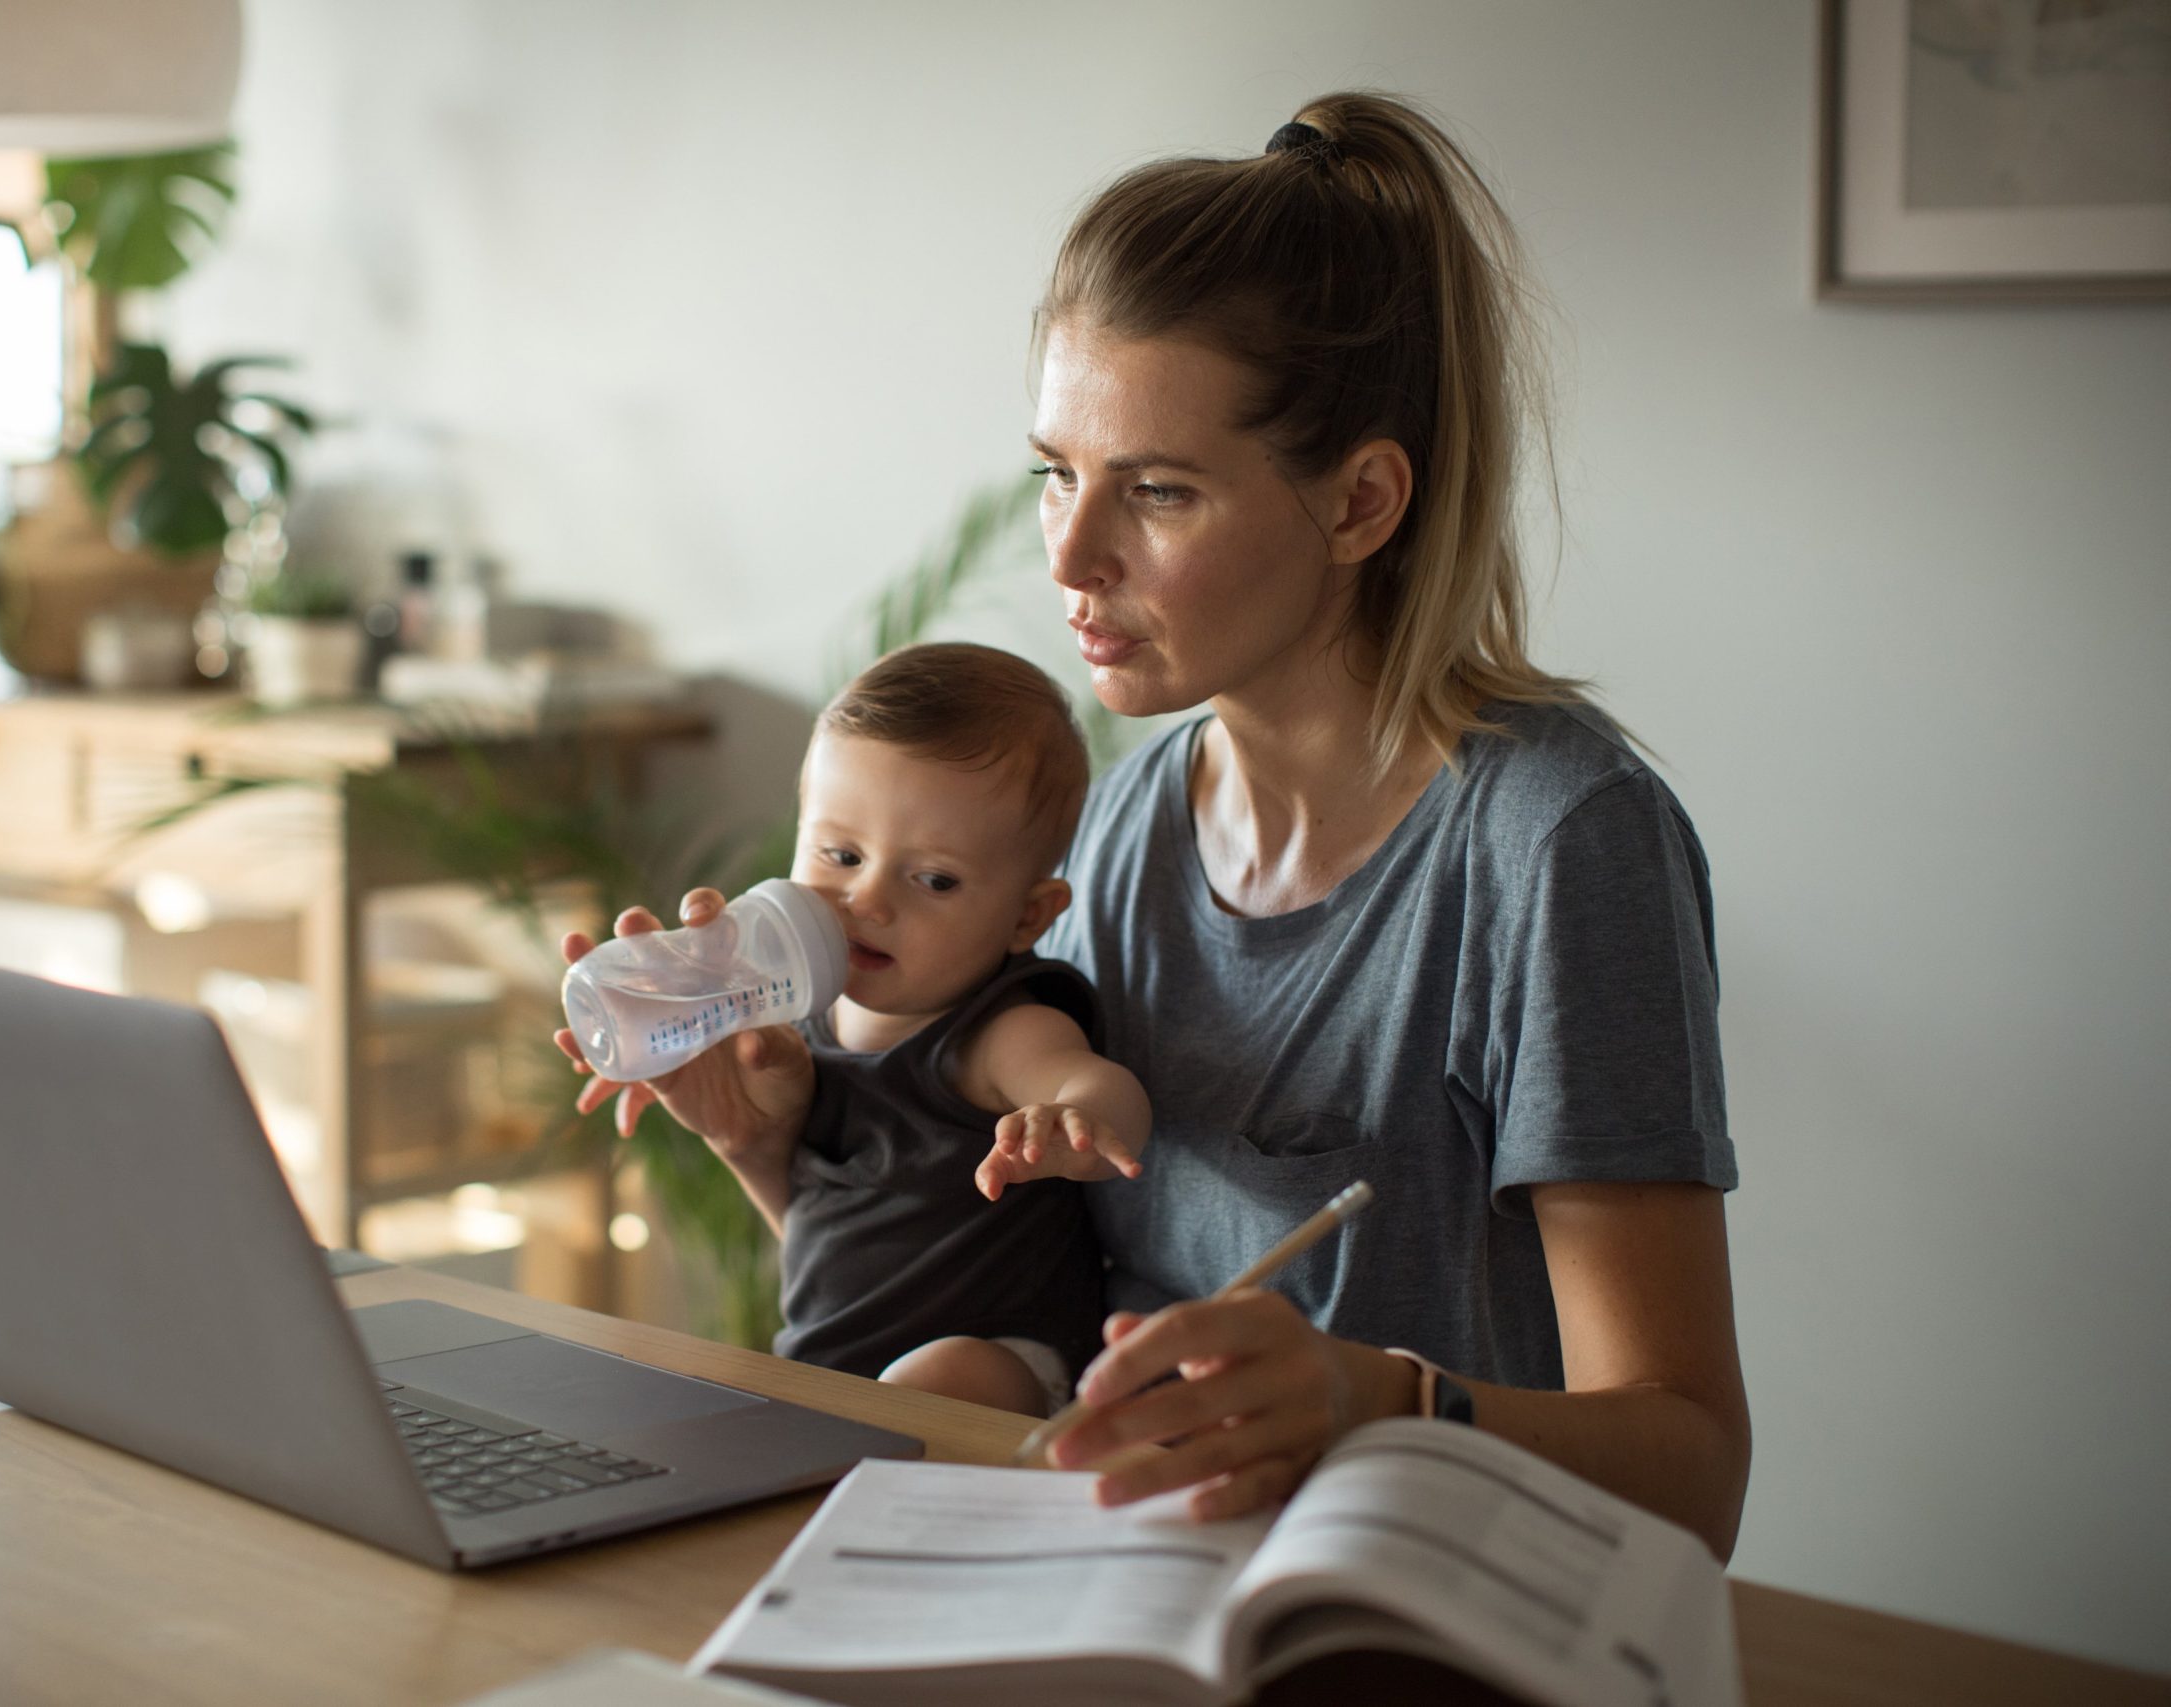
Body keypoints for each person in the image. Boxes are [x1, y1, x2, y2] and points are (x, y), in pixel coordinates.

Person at [563, 91, 1750, 1560]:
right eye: (1056, 474)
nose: (1070, 554)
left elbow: (1693, 1472)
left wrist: (1375, 1400)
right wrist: (763, 1152)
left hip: (1398, 1608)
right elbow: (991, 1318)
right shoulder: (1115, 830)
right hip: (1116, 1579)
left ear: (1361, 502)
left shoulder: (1560, 843)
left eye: (1159, 492)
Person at [563, 641, 1152, 1418]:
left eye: (934, 878)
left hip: (1004, 1364)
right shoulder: (793, 1019)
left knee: (939, 1376)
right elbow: (816, 1229)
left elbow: (1097, 1087)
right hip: (833, 1369)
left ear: (1027, 915)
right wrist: (671, 1019)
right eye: (841, 854)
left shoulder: (996, 1031)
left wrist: (1076, 1119)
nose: (867, 900)